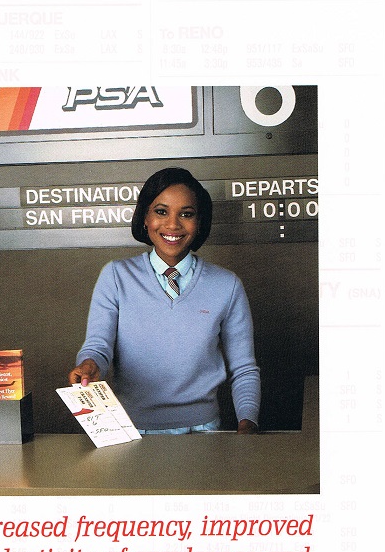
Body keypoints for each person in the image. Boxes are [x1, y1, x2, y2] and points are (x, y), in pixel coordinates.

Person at [68, 167, 260, 434]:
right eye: (161, 211)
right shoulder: (116, 276)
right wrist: (89, 364)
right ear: (145, 218)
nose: (172, 225)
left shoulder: (227, 285)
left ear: (199, 222)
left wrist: (248, 422)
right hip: (131, 432)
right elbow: (98, 347)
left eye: (186, 214)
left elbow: (244, 368)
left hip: (204, 432)